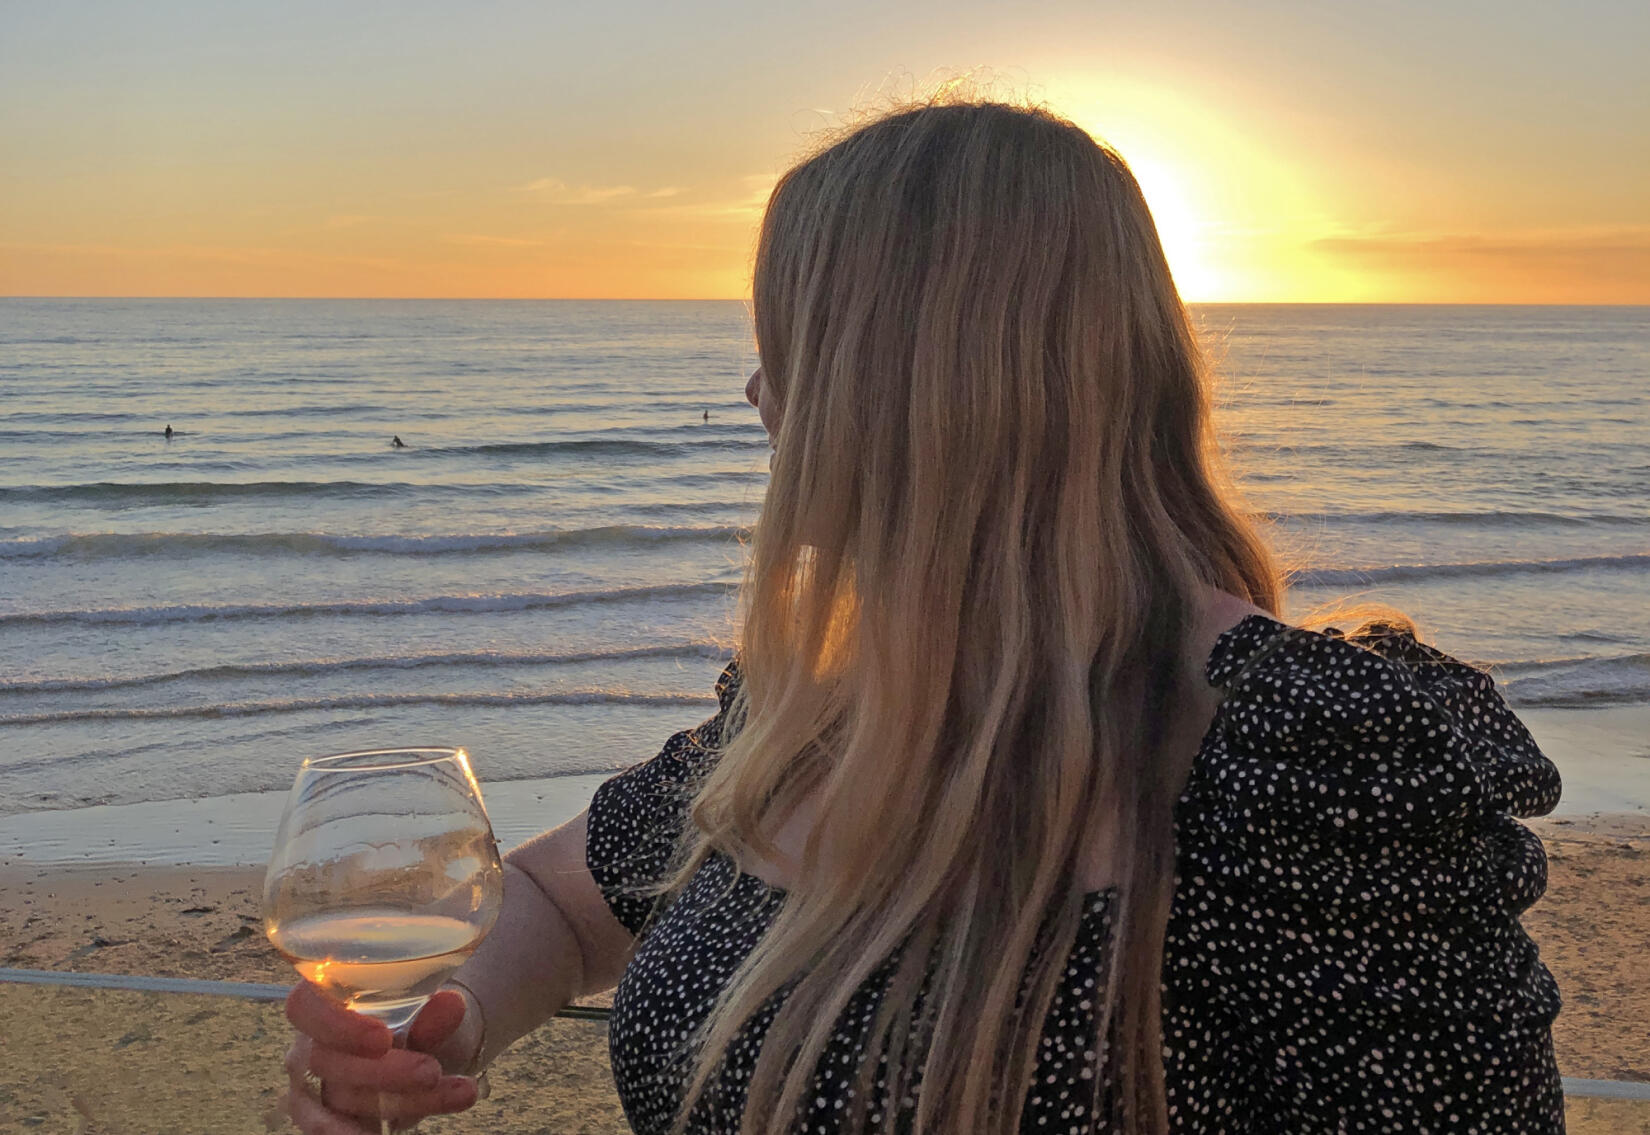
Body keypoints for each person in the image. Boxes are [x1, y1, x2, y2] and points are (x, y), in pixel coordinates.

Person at [282, 100, 1564, 1134]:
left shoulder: (1316, 772)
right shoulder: (818, 712)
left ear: (897, 391)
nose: (754, 394)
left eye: (788, 350)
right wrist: (445, 1024)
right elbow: (562, 900)